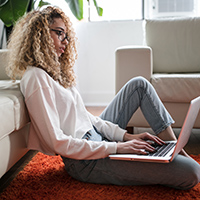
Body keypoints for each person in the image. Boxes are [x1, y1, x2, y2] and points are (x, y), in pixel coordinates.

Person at [6, 6, 200, 190]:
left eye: (66, 35)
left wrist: (126, 137)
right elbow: (57, 142)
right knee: (191, 172)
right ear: (39, 34)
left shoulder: (57, 73)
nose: (65, 41)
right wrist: (117, 148)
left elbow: (88, 118)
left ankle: (174, 148)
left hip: (98, 139)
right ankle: (171, 155)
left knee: (139, 84)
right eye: (58, 33)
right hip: (86, 162)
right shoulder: (35, 78)